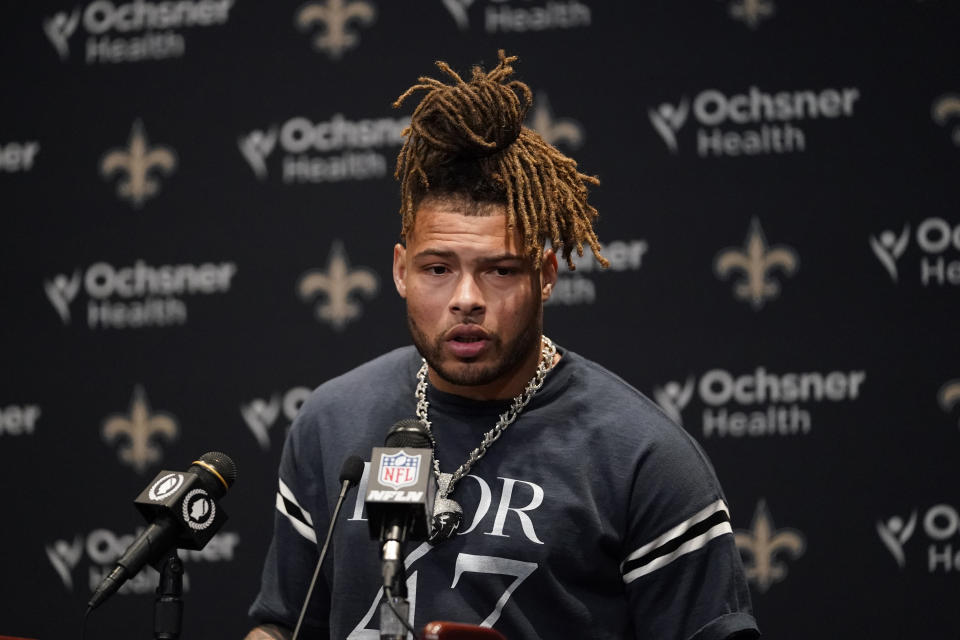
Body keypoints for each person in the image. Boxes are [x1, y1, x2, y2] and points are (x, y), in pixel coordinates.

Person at [246, 51, 759, 640]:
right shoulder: (330, 421)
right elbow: (281, 625)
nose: (466, 298)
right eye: (438, 269)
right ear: (399, 271)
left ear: (545, 275)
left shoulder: (643, 459)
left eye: (500, 272)